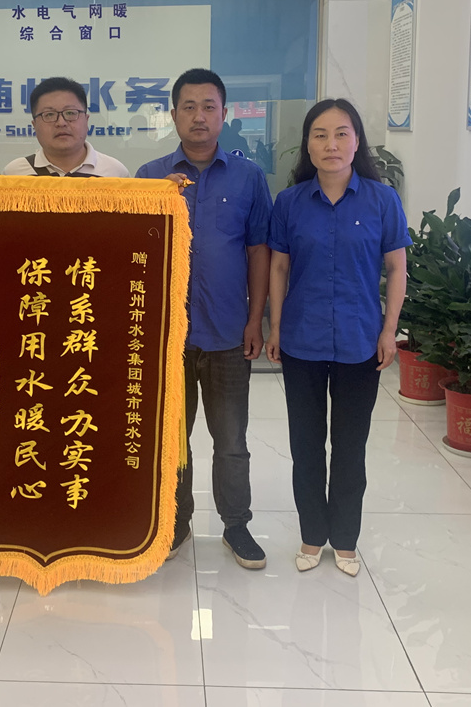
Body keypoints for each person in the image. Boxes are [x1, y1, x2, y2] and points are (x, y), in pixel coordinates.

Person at [264, 98, 408, 577]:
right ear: (307, 144)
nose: (331, 144)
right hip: (301, 341)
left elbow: (397, 269)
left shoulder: (382, 200)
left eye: (341, 133)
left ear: (357, 141)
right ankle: (312, 535)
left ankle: (345, 539)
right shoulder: (289, 203)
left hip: (359, 341)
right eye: (320, 134)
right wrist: (275, 327)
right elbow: (279, 268)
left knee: (350, 447)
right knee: (306, 446)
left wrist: (389, 331)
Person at [136, 68, 272, 569]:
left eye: (209, 106)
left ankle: (236, 526)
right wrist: (155, 202)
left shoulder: (249, 177)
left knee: (231, 440)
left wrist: (256, 320)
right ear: (173, 114)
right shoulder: (149, 176)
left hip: (228, 332)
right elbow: (131, 253)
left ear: (224, 114)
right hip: (165, 337)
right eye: (188, 107)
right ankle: (176, 521)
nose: (199, 116)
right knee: (172, 439)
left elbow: (258, 252)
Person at [3, 76, 128, 177]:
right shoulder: (14, 174)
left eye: (70, 113)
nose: (61, 123)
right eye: (49, 114)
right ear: (34, 125)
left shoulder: (115, 172)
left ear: (86, 120)